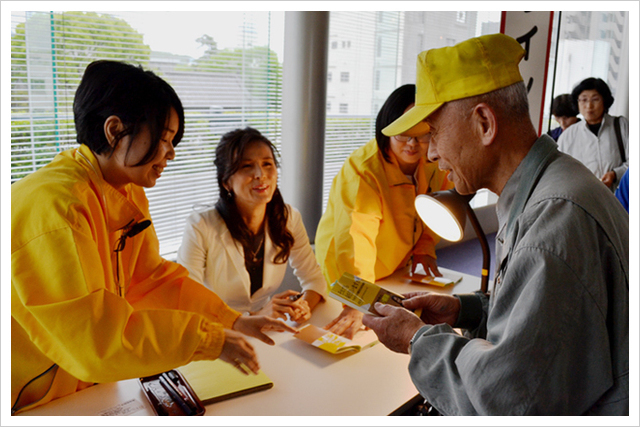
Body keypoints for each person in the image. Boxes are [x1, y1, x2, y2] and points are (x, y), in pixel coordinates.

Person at [363, 34, 629, 415]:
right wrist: (465, 311)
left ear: (485, 123)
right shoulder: (553, 185)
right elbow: (551, 329)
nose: (432, 153)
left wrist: (416, 339)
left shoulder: (553, 220)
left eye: (434, 133)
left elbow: (506, 400)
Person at [11, 61, 295, 415]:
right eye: (162, 139)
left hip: (80, 385)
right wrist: (208, 339)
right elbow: (96, 340)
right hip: (29, 395)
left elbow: (150, 280)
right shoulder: (54, 207)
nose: (171, 153)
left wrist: (230, 319)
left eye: (172, 141)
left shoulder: (124, 190)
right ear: (114, 130)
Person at [315, 84, 453, 338]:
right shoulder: (364, 170)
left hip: (394, 267)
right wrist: (357, 301)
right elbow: (354, 240)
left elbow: (437, 206)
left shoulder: (434, 161)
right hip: (347, 270)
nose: (413, 144)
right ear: (387, 127)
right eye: (403, 134)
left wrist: (424, 248)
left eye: (422, 135)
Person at [177, 127, 326, 321]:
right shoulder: (201, 226)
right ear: (226, 182)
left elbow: (314, 280)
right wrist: (254, 316)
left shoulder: (289, 218)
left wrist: (303, 306)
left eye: (267, 164)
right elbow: (188, 305)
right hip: (217, 332)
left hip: (267, 328)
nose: (260, 174)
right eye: (247, 166)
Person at [557, 77, 628, 192]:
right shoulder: (568, 136)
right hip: (584, 199)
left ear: (605, 101)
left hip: (618, 198)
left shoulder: (621, 126)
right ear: (577, 103)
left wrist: (615, 174)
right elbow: (560, 172)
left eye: (595, 99)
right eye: (584, 100)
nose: (589, 106)